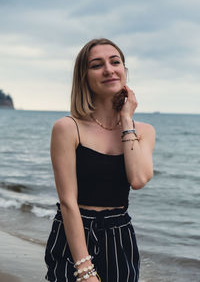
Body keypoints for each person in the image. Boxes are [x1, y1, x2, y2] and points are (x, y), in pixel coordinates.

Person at [44, 38, 155, 282]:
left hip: (120, 236)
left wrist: (126, 120)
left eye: (115, 62)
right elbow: (67, 202)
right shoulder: (68, 128)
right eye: (97, 65)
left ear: (124, 71)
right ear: (84, 77)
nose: (108, 69)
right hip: (74, 235)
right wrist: (84, 268)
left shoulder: (143, 131)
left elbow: (137, 179)